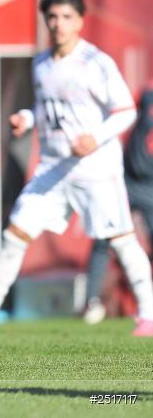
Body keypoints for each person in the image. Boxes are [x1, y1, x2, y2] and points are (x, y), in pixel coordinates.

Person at [0, 0, 153, 337]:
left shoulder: (95, 63)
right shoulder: (41, 64)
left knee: (121, 239)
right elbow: (47, 111)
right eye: (53, 17)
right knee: (14, 235)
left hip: (95, 170)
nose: (59, 24)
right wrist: (28, 118)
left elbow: (125, 111)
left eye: (67, 17)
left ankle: (148, 314)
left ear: (80, 22)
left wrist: (95, 138)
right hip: (53, 169)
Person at [82, 83, 153, 324]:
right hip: (127, 181)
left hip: (151, 186)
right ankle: (92, 302)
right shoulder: (145, 95)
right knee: (104, 238)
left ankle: (147, 307)